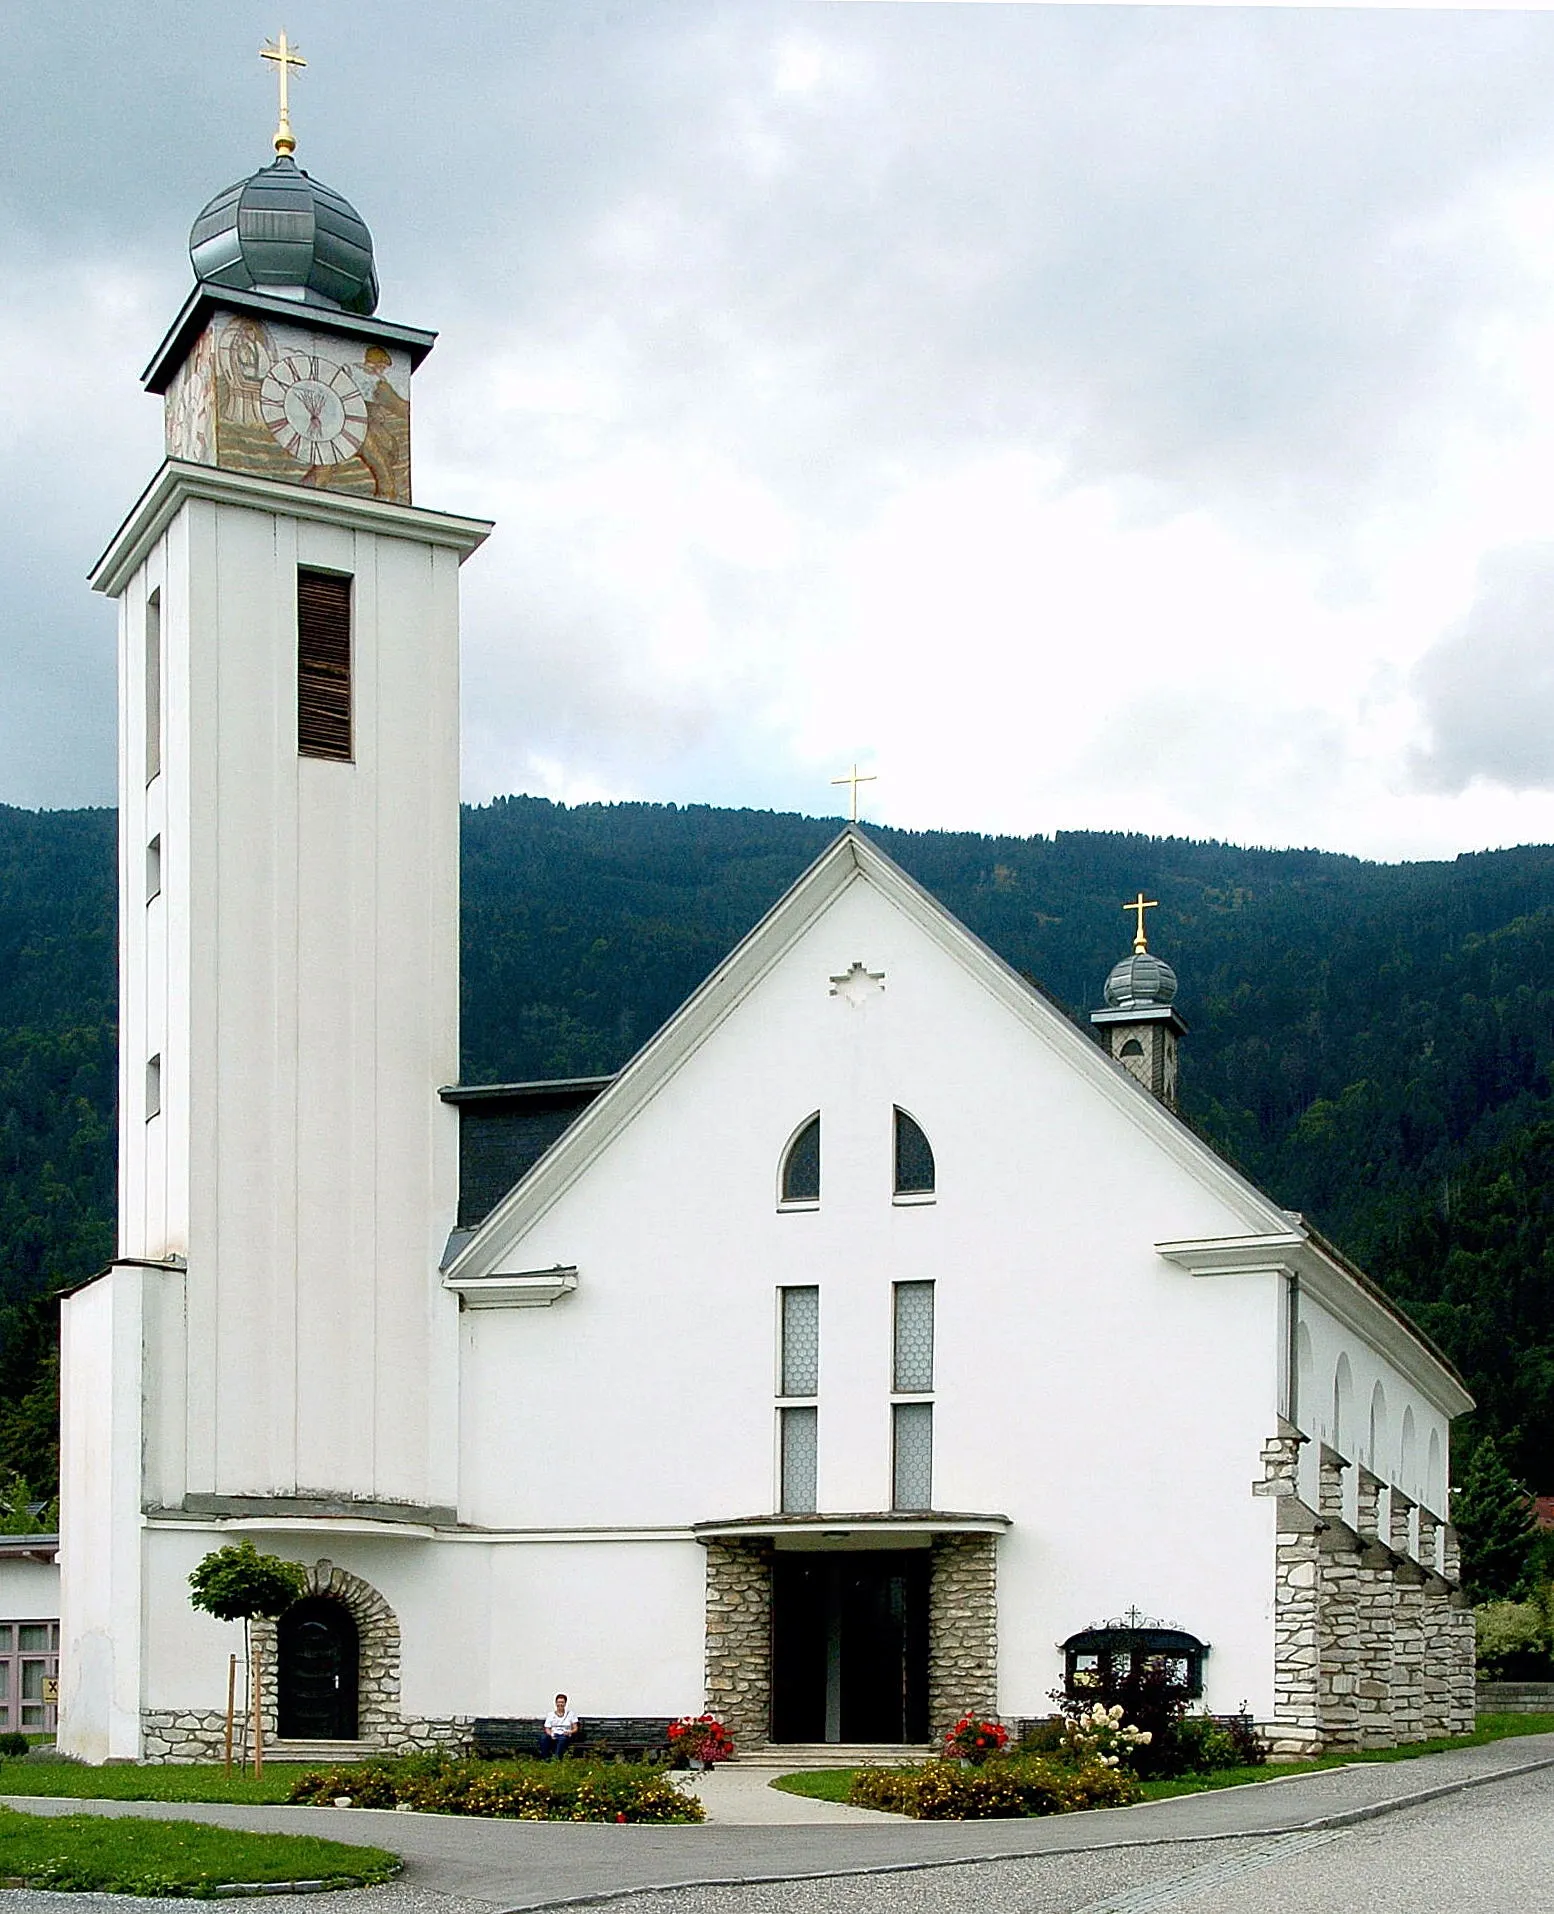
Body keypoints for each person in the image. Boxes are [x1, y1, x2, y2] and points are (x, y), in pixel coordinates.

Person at [540, 1693, 580, 1760]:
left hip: (565, 1734)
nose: (560, 1704)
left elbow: (575, 1728)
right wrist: (551, 1734)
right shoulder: (550, 1715)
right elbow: (547, 1728)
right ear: (556, 1703)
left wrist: (570, 1732)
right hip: (554, 1734)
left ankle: (557, 1759)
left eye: (562, 1702)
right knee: (543, 1738)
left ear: (565, 1703)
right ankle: (546, 1758)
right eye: (558, 1702)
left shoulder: (571, 1714)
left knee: (562, 1739)